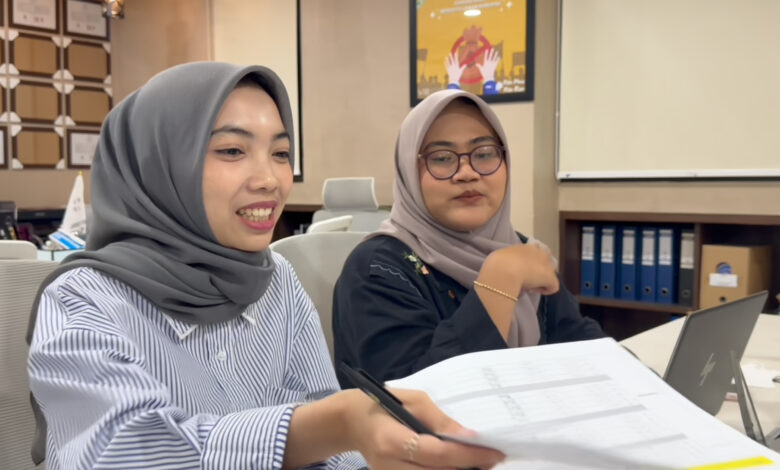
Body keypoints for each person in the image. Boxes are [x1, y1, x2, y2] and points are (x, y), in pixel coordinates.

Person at [26, 63, 505, 470]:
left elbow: (330, 435)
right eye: (232, 150)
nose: (270, 179)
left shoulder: (276, 280)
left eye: (280, 154)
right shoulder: (83, 297)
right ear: (159, 163)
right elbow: (120, 450)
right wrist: (327, 426)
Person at [332, 89, 605, 387]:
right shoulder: (378, 269)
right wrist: (499, 282)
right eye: (442, 158)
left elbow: (587, 349)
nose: (467, 173)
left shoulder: (519, 251)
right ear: (408, 170)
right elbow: (409, 398)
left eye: (484, 154)